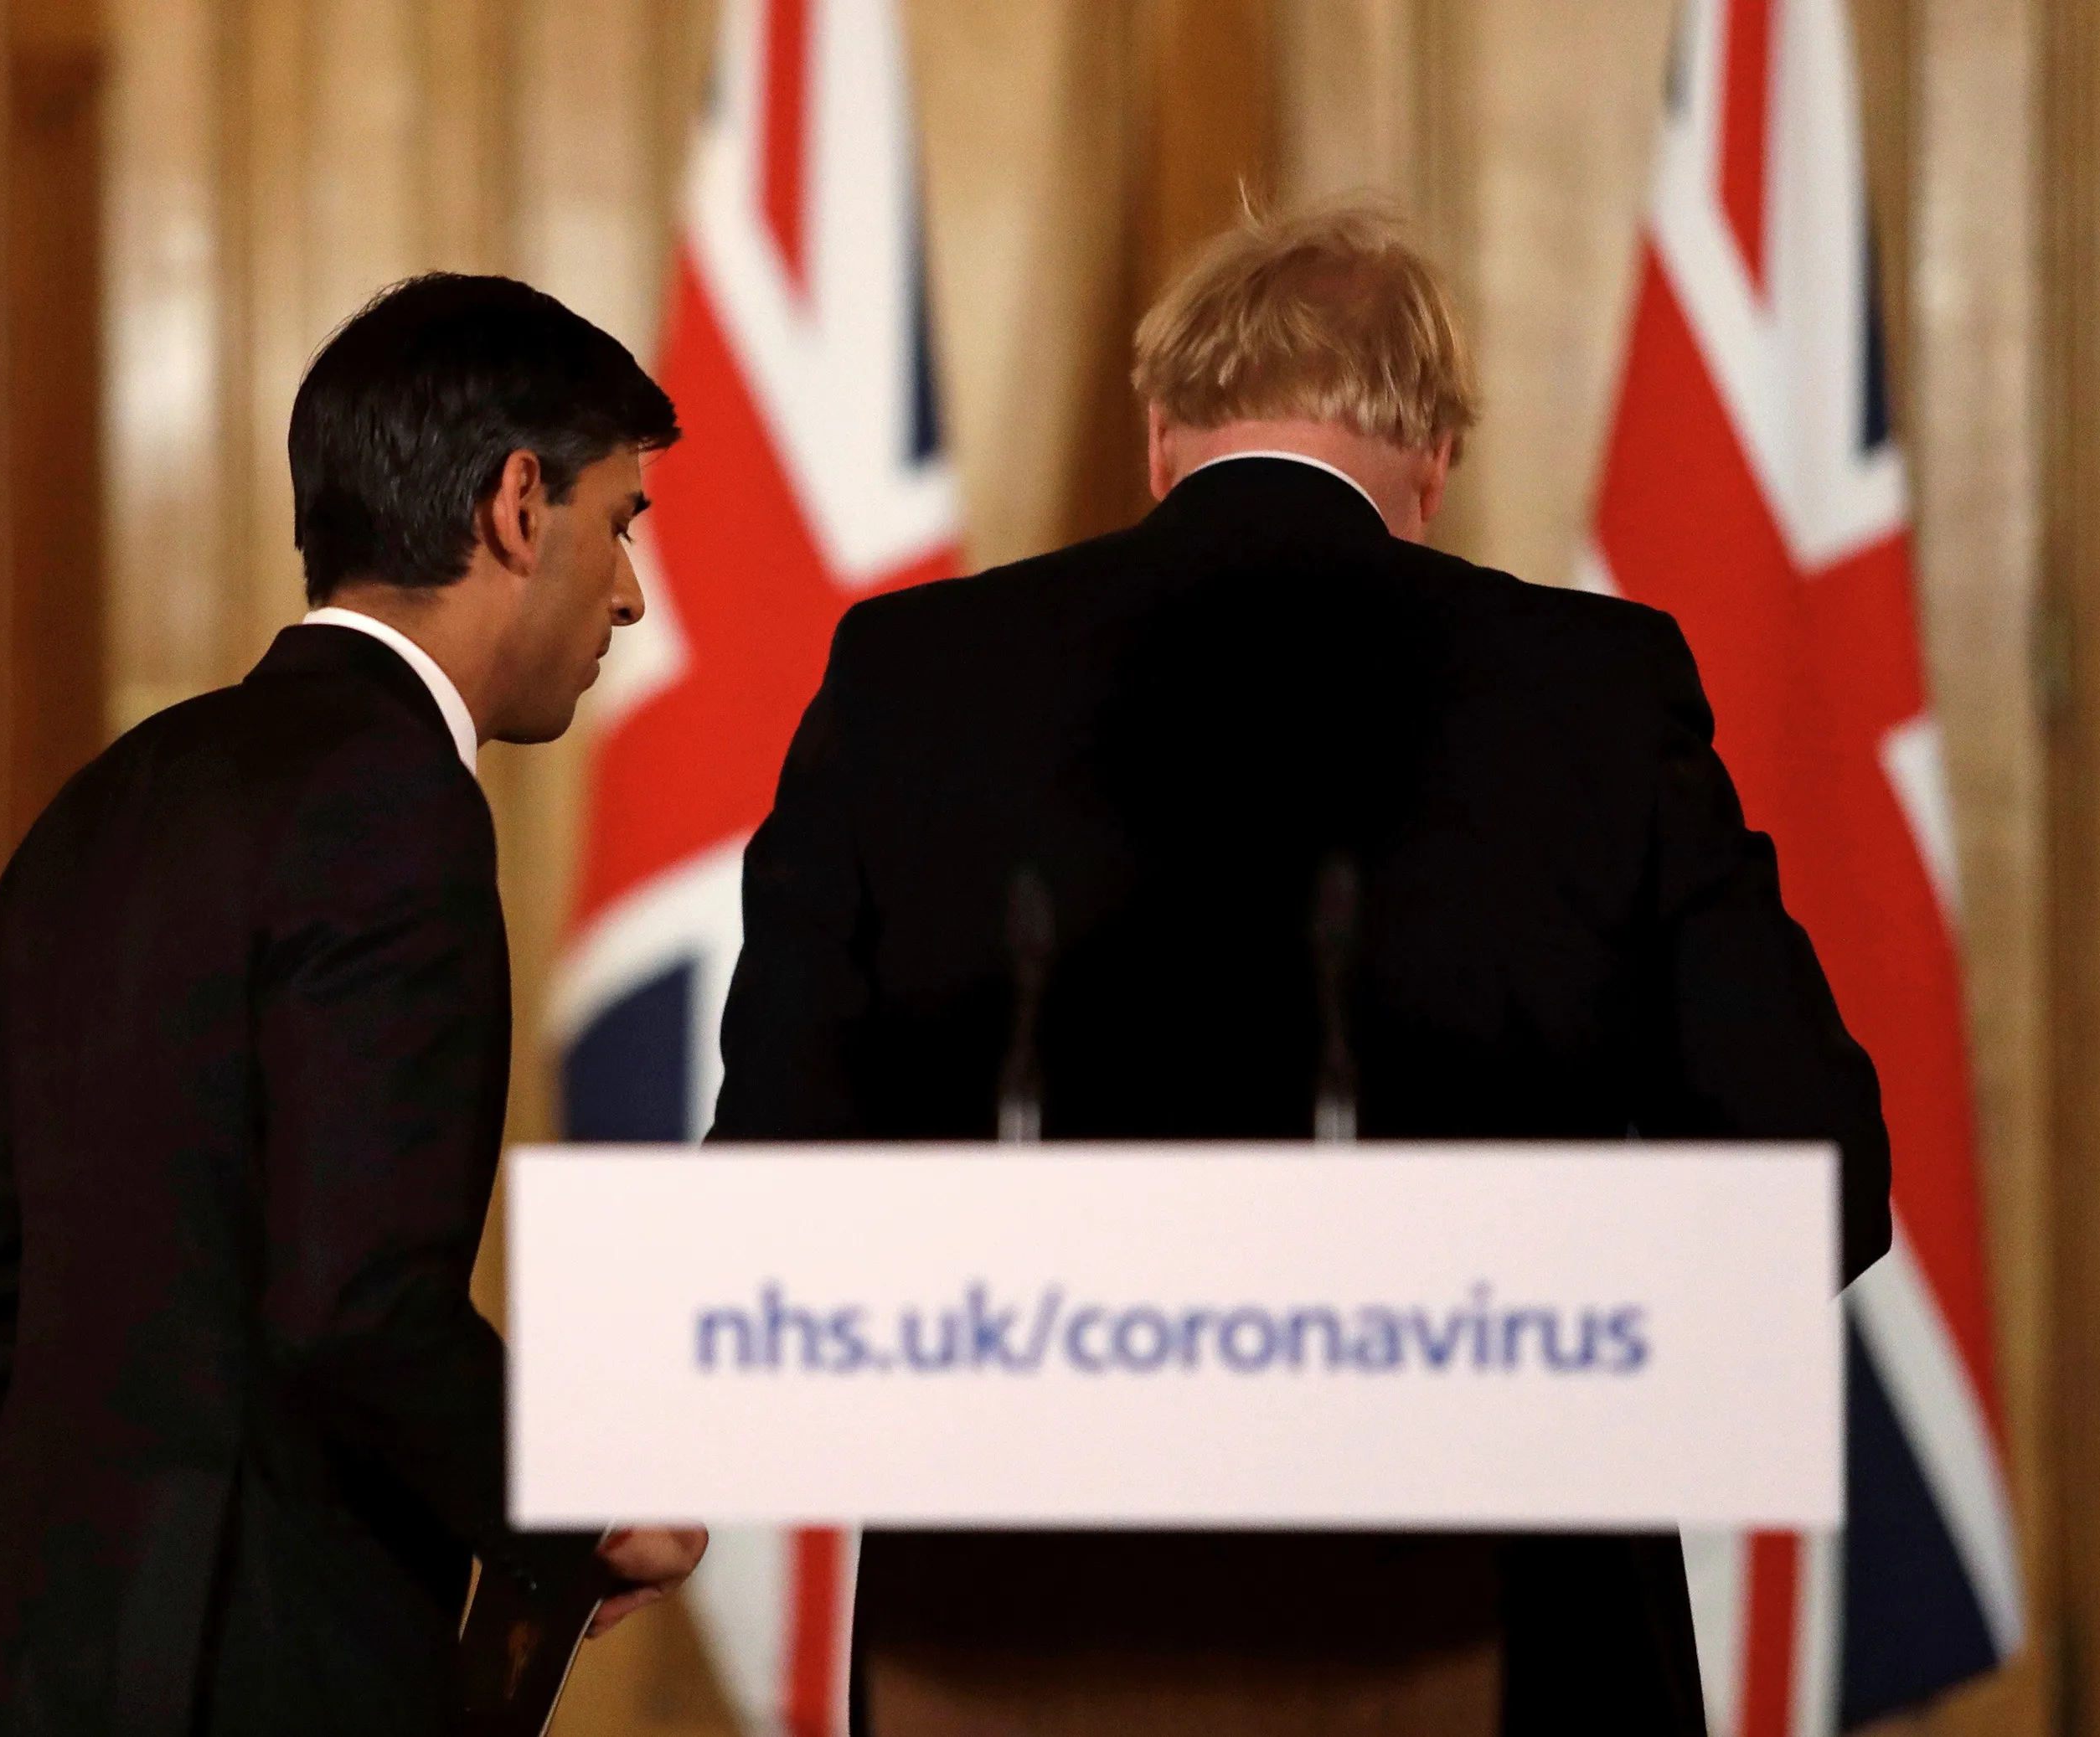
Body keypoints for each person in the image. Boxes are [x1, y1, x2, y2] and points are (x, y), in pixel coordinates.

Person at [709, 207, 1892, 1735]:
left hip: (1023, 1635)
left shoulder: (909, 674)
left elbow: (772, 1184)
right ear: (1434, 458)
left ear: (1160, 437)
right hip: (1512, 1623)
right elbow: (1815, 1175)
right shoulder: (1597, 689)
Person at [0, 274, 706, 1737]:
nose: (630, 593)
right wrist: (585, 1498)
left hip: (23, 1662)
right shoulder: (397, 805)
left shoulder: (111, 795)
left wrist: (111, 1561)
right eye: (621, 522)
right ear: (518, 506)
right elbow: (356, 1310)